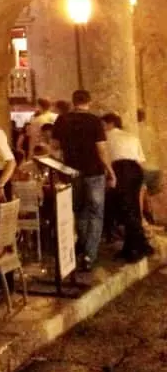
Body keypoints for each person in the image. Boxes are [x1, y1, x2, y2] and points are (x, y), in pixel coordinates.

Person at [53, 90, 116, 271]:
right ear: (89, 101)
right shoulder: (94, 121)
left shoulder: (62, 120)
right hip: (94, 172)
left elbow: (55, 147)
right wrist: (110, 170)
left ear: (73, 101)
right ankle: (90, 254)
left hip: (72, 172)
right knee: (96, 213)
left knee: (79, 210)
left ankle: (82, 245)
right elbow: (101, 150)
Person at [101, 112, 153, 262]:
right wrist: (142, 183)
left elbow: (105, 159)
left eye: (103, 125)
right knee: (134, 210)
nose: (102, 128)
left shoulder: (106, 137)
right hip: (135, 171)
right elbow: (140, 161)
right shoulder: (131, 136)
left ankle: (134, 249)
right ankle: (138, 245)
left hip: (120, 170)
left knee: (126, 210)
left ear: (110, 123)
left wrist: (110, 177)